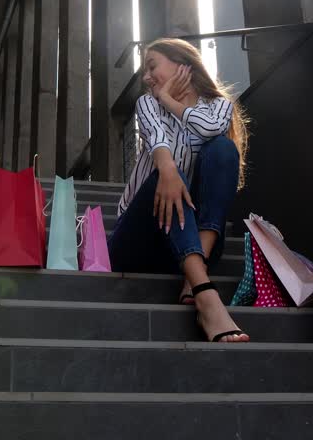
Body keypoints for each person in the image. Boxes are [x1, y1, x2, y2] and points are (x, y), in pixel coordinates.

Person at [107, 37, 251, 343]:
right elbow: (159, 143)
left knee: (223, 148)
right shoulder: (147, 103)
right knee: (169, 174)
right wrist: (169, 171)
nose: (147, 77)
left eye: (151, 66)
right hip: (138, 239)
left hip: (193, 244)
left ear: (181, 64)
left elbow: (211, 129)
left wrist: (172, 102)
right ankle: (206, 296)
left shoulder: (220, 107)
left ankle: (192, 278)